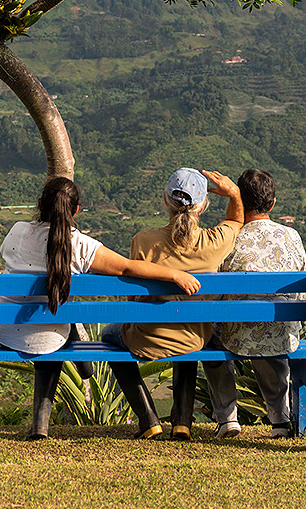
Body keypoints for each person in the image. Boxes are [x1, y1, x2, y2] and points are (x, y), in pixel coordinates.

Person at [0, 177, 200, 440]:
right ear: (76, 210)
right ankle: (79, 377)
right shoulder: (80, 245)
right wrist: (173, 275)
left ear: (40, 204)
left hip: (3, 329)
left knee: (49, 330)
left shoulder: (17, 230)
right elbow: (127, 267)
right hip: (48, 335)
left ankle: (40, 426)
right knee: (50, 335)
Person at [102, 167, 244, 440]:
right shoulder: (214, 242)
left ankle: (148, 420)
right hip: (194, 338)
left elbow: (134, 300)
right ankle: (182, 422)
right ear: (202, 206)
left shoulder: (143, 241)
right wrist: (234, 193)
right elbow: (236, 221)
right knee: (185, 325)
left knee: (108, 334)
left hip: (147, 338)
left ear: (166, 200)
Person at [206, 168, 306, 438]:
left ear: (239, 200)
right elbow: (303, 297)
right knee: (274, 331)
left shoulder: (228, 238)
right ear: (273, 204)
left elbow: (215, 293)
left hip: (236, 335)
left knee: (212, 338)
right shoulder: (292, 237)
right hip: (281, 334)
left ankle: (228, 419)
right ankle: (280, 421)